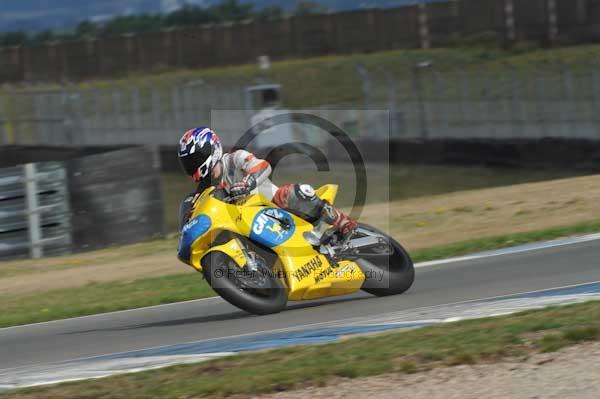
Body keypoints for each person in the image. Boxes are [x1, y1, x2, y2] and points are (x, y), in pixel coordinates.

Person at [177, 127, 357, 235]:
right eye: (188, 162)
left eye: (195, 159)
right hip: (249, 228)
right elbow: (192, 214)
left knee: (292, 193)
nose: (192, 165)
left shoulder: (234, 159)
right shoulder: (202, 193)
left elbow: (263, 166)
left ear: (211, 149)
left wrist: (248, 182)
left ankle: (343, 223)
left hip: (276, 209)